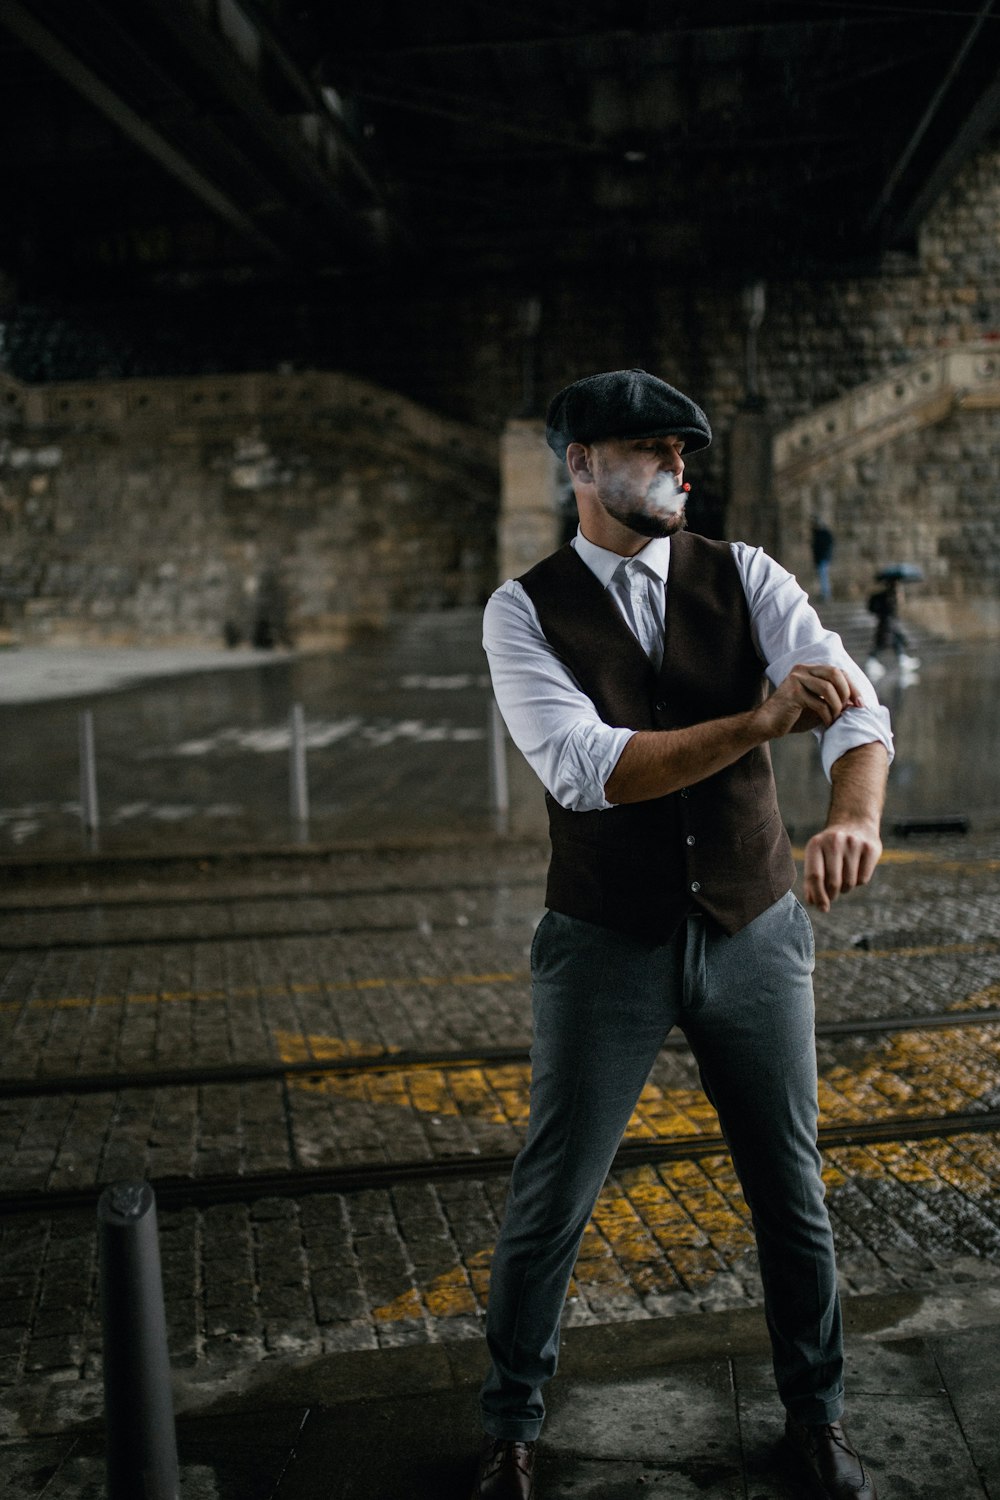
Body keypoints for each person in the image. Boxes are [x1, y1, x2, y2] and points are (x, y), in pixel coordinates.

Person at [473, 369, 893, 1500]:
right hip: (603, 936)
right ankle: (510, 1428)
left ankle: (818, 1416)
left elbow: (852, 705)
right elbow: (589, 768)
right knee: (553, 1191)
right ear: (582, 465)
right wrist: (760, 719)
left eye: (681, 453)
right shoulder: (523, 609)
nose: (677, 469)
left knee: (788, 1187)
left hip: (754, 926)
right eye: (652, 450)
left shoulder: (744, 573)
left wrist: (851, 814)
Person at [865, 580, 920, 680]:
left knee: (896, 642)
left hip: (888, 623)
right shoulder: (888, 596)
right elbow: (890, 610)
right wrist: (898, 598)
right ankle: (871, 661)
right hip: (887, 624)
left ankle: (902, 659)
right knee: (882, 644)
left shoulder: (887, 596)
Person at [812, 519, 835, 601]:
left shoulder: (823, 535)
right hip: (822, 558)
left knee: (823, 576)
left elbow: (823, 547)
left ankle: (826, 594)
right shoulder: (820, 534)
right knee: (822, 576)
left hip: (823, 558)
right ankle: (824, 593)